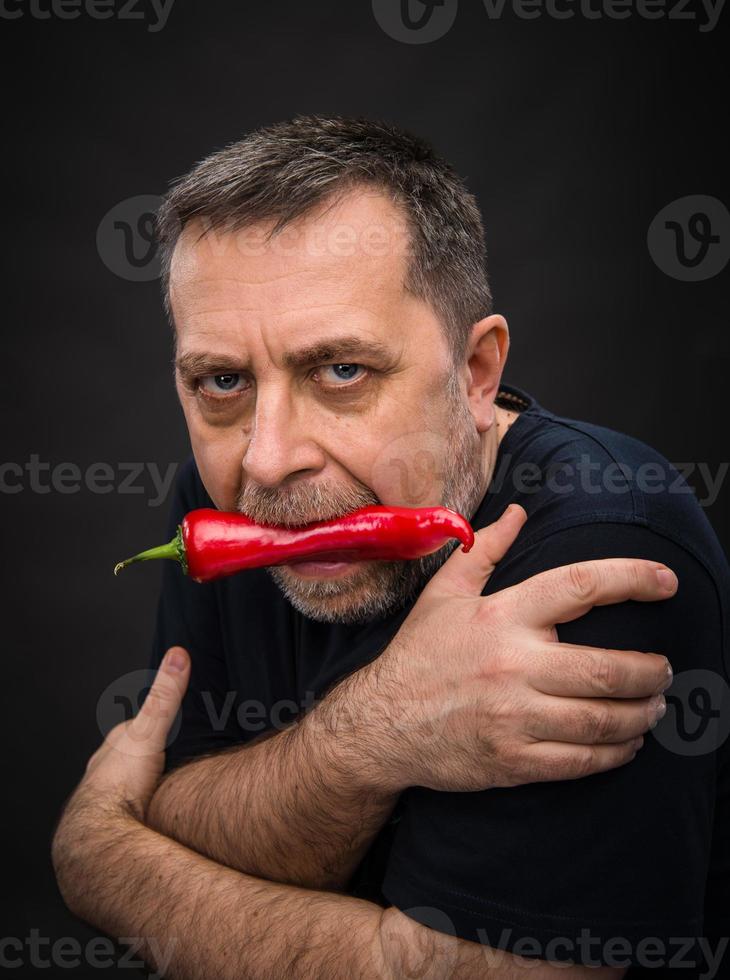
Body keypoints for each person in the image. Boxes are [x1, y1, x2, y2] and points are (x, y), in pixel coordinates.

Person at [52, 115, 730, 978]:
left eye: (342, 371)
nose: (267, 456)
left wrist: (101, 860)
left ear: (476, 373)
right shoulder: (222, 509)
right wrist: (375, 736)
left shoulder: (598, 547)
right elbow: (180, 803)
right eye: (222, 381)